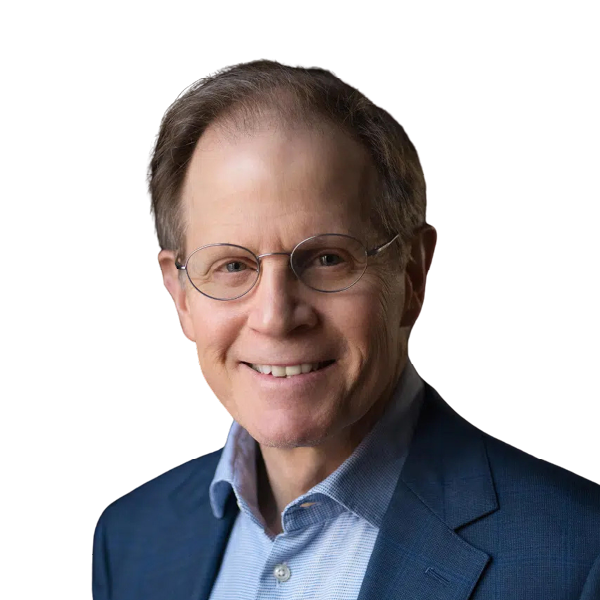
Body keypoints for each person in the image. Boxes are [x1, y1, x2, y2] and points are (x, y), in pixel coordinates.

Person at [91, 59, 600, 599]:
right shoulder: (129, 541)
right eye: (233, 266)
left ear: (412, 273)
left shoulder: (578, 560)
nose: (275, 317)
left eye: (327, 259)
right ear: (180, 293)